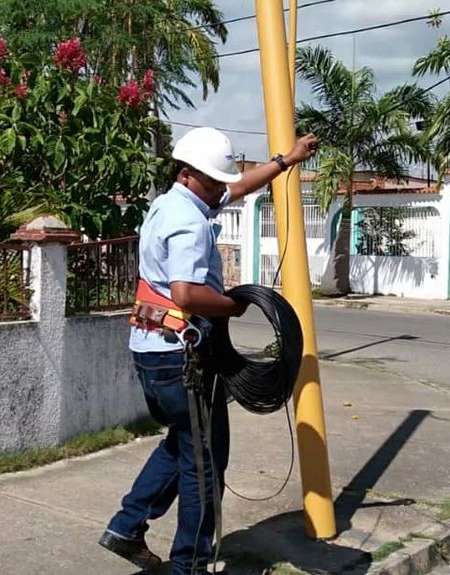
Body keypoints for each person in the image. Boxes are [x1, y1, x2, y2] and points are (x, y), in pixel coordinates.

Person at [100, 127, 319, 575]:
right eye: (215, 180)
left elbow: (237, 188)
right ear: (188, 174)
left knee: (183, 444)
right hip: (182, 358)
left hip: (153, 352)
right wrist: (232, 306)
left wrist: (287, 160)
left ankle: (126, 526)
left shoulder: (170, 204)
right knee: (204, 465)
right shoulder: (189, 221)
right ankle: (190, 565)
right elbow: (187, 294)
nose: (223, 187)